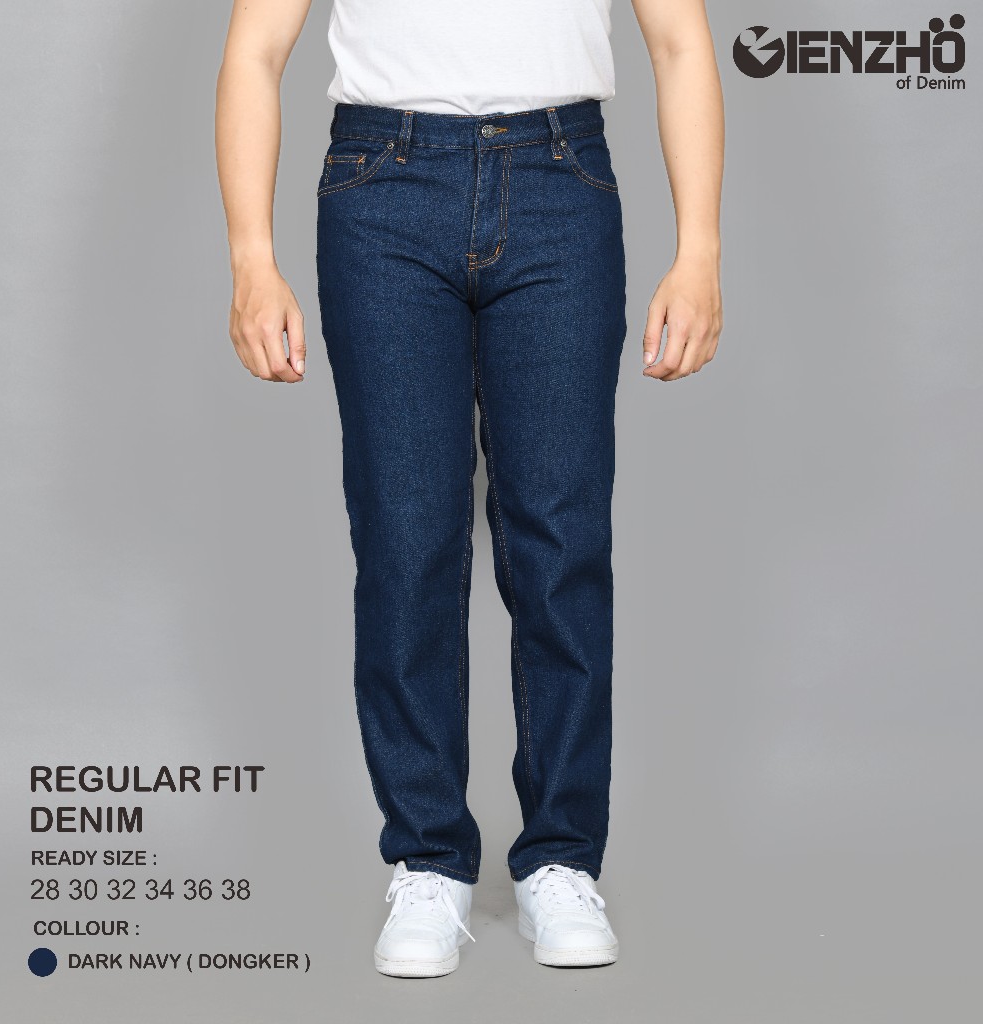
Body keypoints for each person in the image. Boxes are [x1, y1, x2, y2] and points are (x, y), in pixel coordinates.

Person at [216, 0, 724, 978]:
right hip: (382, 182)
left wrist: (698, 249)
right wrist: (250, 257)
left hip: (559, 178)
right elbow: (255, 47)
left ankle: (561, 858)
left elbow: (679, 39)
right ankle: (428, 858)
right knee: (405, 534)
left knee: (561, 536)